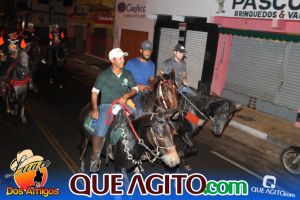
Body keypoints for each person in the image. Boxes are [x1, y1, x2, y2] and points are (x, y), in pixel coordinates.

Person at [90, 47, 138, 173]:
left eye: (123, 57)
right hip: (107, 106)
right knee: (101, 129)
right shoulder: (104, 75)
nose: (123, 60)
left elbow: (135, 89)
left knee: (140, 118)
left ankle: (140, 151)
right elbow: (95, 92)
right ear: (113, 60)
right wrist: (95, 108)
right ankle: (95, 158)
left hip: (124, 104)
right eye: (120, 58)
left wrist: (127, 95)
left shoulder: (127, 74)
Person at [125, 40, 155, 115]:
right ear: (141, 50)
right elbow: (124, 79)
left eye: (150, 51)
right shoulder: (131, 63)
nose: (148, 53)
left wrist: (151, 85)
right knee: (139, 111)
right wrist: (138, 85)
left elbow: (151, 79)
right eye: (146, 50)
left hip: (145, 91)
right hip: (133, 91)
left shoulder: (152, 64)